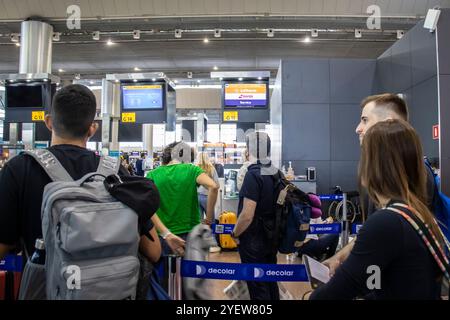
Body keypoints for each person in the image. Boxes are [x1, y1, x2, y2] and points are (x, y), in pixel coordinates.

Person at [0, 84, 160, 265]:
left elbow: (3, 244)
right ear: (92, 129)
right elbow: (154, 251)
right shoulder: (115, 173)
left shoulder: (20, 169)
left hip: (45, 288)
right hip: (109, 289)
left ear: (49, 122)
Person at [311, 119, 445, 299]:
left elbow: (328, 297)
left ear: (375, 165)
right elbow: (396, 284)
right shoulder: (415, 212)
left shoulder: (387, 222)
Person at [325, 93, 436, 276]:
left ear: (388, 123)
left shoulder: (417, 174)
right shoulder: (384, 171)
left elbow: (385, 235)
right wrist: (339, 257)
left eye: (365, 120)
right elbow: (373, 230)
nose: (358, 129)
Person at [147, 141, 219, 256]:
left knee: (163, 271)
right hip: (190, 233)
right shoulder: (192, 170)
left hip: (163, 234)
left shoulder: (152, 175)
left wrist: (165, 233)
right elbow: (213, 186)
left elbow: (148, 208)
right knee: (191, 271)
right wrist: (209, 219)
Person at [231, 132, 280, 300]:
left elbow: (247, 215)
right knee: (270, 282)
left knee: (258, 287)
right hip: (271, 236)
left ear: (248, 148)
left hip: (253, 239)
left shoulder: (253, 174)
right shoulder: (275, 173)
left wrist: (235, 233)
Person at [196, 152, 219, 220]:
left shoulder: (195, 169)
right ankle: (211, 230)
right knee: (211, 220)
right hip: (209, 197)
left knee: (199, 221)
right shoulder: (212, 168)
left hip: (197, 197)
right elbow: (217, 185)